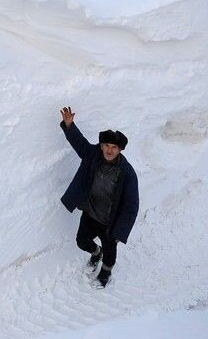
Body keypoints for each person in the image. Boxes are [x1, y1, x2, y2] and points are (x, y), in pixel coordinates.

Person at [58, 106, 139, 288]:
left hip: (110, 222)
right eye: (106, 146)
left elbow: (131, 206)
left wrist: (120, 232)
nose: (109, 151)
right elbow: (79, 143)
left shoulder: (127, 173)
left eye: (114, 147)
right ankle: (96, 253)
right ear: (101, 146)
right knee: (82, 241)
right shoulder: (93, 155)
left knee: (111, 253)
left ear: (119, 150)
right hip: (90, 214)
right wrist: (69, 126)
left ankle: (106, 272)